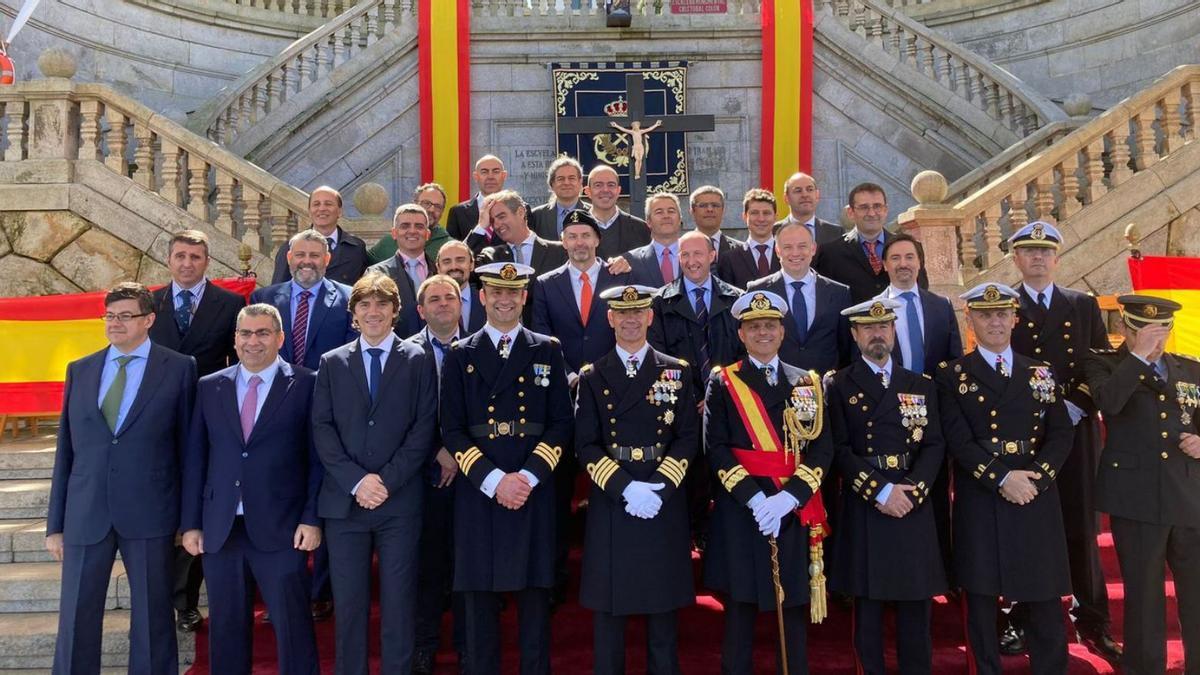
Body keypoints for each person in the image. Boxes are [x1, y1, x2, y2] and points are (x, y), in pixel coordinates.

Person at [47, 282, 197, 675]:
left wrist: (188, 518)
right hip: (86, 511)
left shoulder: (180, 368)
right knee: (77, 614)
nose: (115, 323)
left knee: (152, 616)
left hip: (151, 511)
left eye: (125, 316)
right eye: (110, 316)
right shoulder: (80, 370)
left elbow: (189, 450)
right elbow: (67, 451)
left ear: (148, 320)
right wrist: (55, 524)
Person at [440, 262, 574, 675]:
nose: (504, 299)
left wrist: (527, 478)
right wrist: (495, 481)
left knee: (535, 596)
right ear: (481, 297)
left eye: (513, 292)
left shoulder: (546, 349)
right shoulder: (461, 354)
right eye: (496, 291)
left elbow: (560, 424)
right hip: (481, 488)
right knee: (479, 597)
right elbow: (453, 429)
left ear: (524, 297)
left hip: (532, 486)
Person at [936, 282, 1073, 675]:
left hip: (1034, 493)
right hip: (982, 493)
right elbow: (957, 439)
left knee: (1044, 596)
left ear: (1015, 319)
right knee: (980, 598)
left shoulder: (1040, 372)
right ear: (970, 320)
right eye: (984, 314)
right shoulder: (952, 375)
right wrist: (1001, 478)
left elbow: (1061, 433)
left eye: (1001, 314)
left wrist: (1036, 479)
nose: (994, 322)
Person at [180, 303, 322, 675]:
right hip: (221, 527)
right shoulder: (210, 386)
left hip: (282, 528)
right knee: (226, 627)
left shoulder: (307, 383)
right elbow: (196, 458)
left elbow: (317, 458)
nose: (252, 341)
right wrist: (192, 523)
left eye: (262, 333)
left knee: (292, 625)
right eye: (245, 333)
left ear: (279, 338)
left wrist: (312, 518)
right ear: (236, 338)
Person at [1002, 221, 1120, 659]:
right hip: (1022, 437)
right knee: (1022, 529)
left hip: (1074, 432)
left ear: (1056, 258)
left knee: (1081, 528)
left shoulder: (1082, 304)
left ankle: (1093, 619)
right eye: (1028, 252)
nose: (1037, 258)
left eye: (1045, 251)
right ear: (1016, 259)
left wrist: (1075, 405)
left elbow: (1099, 364)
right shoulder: (1002, 304)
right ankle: (1018, 619)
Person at [311, 273, 440, 674]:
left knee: (399, 603)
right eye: (364, 305)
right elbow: (322, 428)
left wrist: (385, 481)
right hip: (345, 505)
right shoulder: (332, 363)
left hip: (398, 503)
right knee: (349, 605)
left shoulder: (418, 359)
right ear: (353, 315)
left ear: (396, 312)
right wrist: (357, 481)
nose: (373, 312)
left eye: (382, 304)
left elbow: (424, 427)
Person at [703, 290, 834, 674]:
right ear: (741, 334)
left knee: (791, 610)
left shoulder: (807, 381)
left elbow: (822, 450)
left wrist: (787, 499)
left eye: (771, 325)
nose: (763, 332)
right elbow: (717, 449)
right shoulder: (725, 382)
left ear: (782, 331)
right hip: (743, 511)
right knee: (741, 609)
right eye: (754, 326)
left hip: (792, 511)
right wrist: (758, 501)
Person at [575, 284, 699, 675]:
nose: (630, 320)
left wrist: (658, 488)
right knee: (609, 618)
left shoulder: (675, 371)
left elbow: (688, 436)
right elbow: (586, 444)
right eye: (621, 314)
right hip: (615, 499)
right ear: (610, 319)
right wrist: (626, 488)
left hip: (662, 498)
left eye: (638, 313)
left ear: (650, 317)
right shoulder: (593, 376)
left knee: (662, 614)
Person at [827, 298, 947, 674]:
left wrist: (910, 490)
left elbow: (934, 444)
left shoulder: (920, 384)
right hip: (868, 505)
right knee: (868, 616)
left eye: (883, 328)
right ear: (855, 335)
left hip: (912, 504)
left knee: (916, 615)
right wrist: (880, 491)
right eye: (868, 329)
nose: (877, 335)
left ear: (894, 332)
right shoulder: (839, 384)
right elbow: (839, 448)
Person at [1083, 295, 1200, 674]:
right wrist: (1138, 359)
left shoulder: (1189, 369)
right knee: (1145, 597)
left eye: (1163, 330)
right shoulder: (1103, 363)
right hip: (1135, 499)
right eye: (1147, 331)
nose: (1157, 339)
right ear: (1125, 330)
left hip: (1187, 495)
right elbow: (1109, 403)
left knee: (1197, 594)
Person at [252, 229, 356, 619]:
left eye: (315, 254)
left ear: (328, 259)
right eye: (300, 255)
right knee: (279, 499)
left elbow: (348, 360)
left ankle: (320, 591)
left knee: (323, 501)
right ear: (289, 257)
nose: (307, 261)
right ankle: (280, 589)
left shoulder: (347, 299)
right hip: (276, 414)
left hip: (328, 413)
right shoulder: (265, 298)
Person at [146, 229, 244, 633]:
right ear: (169, 259)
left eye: (196, 257)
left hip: (208, 420)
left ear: (207, 262)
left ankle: (185, 600)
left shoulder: (230, 304)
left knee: (198, 505)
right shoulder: (148, 304)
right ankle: (155, 596)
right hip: (156, 422)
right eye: (180, 256)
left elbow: (235, 361)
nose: (187, 264)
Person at [530, 209, 630, 603]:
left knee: (611, 487)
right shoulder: (545, 283)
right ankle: (554, 577)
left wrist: (598, 377)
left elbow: (628, 331)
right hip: (561, 396)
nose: (579, 243)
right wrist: (571, 375)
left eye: (585, 235)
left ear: (597, 239)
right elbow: (540, 335)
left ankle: (614, 574)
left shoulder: (621, 277)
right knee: (556, 493)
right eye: (571, 236)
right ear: (563, 241)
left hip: (612, 399)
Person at [877, 232, 962, 583]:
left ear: (920, 262)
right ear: (884, 266)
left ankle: (943, 572)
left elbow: (955, 363)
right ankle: (897, 575)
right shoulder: (872, 311)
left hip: (933, 420)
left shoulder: (940, 306)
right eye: (895, 258)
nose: (903, 264)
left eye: (909, 257)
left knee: (936, 494)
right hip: (887, 422)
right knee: (894, 494)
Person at [406, 274, 468, 674]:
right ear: (420, 310)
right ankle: (424, 645)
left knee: (467, 565)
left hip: (472, 476)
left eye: (450, 297)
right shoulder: (404, 353)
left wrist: (460, 455)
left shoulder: (484, 345)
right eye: (435, 299)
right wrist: (437, 453)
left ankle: (468, 644)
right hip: (423, 478)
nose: (443, 304)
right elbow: (402, 416)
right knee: (426, 567)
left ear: (461, 304)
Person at [747, 220, 852, 373]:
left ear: (813, 248)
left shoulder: (839, 293)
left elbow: (847, 346)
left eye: (802, 246)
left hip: (826, 387)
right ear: (777, 251)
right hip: (775, 386)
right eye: (787, 247)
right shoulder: (758, 291)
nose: (795, 253)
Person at [814, 183, 929, 303]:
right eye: (864, 207)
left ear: (885, 210)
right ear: (851, 212)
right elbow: (826, 301)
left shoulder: (910, 249)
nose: (872, 213)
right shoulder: (830, 253)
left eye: (877, 206)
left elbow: (921, 290)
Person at [271, 186, 371, 286]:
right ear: (309, 211)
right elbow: (278, 292)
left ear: (340, 211)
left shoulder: (356, 248)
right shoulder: (291, 247)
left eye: (328, 204)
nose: (322, 208)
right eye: (316, 204)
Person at [367, 203, 436, 339]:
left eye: (419, 226)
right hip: (395, 352)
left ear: (427, 234)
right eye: (405, 226)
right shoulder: (377, 274)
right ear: (394, 233)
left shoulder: (440, 271)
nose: (412, 231)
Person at [369, 183, 453, 263]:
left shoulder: (449, 246)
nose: (431, 210)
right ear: (415, 203)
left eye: (438, 207)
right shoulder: (388, 242)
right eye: (426, 203)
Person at [584, 164, 651, 260]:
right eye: (598, 185)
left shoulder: (640, 228)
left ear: (618, 190)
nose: (605, 190)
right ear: (588, 191)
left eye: (611, 185)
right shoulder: (576, 228)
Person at [717, 188, 779, 289]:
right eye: (754, 213)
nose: (761, 219)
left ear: (775, 217)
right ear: (745, 216)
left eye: (766, 213)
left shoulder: (789, 254)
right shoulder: (729, 259)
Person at [621, 192, 684, 288]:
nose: (666, 216)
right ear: (648, 222)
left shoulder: (697, 256)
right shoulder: (630, 260)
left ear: (680, 219)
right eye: (659, 212)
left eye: (671, 211)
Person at [447, 155, 511, 244]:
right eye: (484, 172)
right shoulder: (458, 212)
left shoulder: (521, 208)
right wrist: (480, 228)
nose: (490, 176)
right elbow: (452, 252)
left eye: (496, 171)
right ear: (476, 176)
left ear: (504, 175)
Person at [775, 172, 844, 245]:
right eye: (798, 191)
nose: (805, 195)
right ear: (786, 198)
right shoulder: (773, 231)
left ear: (817, 195)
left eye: (810, 190)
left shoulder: (836, 233)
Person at [436, 239, 487, 334]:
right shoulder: (426, 305)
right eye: (447, 262)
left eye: (460, 260)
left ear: (472, 265)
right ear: (438, 268)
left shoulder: (487, 302)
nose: (454, 266)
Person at [530, 155, 585, 240]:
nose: (566, 183)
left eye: (571, 178)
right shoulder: (536, 216)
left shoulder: (592, 213)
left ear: (580, 182)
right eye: (560, 179)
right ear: (552, 184)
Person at [688, 185, 741, 267]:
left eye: (715, 205)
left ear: (723, 210)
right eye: (703, 205)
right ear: (692, 211)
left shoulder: (741, 250)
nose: (710, 209)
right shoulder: (680, 247)